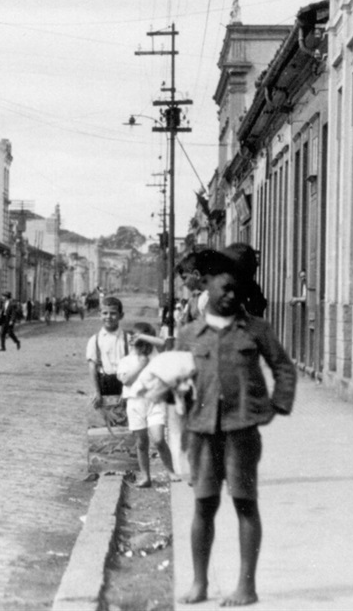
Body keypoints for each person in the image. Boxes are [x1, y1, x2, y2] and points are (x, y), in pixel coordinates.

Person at [178, 248, 296, 607]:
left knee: (245, 505)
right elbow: (174, 381)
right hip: (202, 432)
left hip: (242, 430)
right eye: (225, 288)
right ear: (207, 285)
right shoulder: (188, 334)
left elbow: (283, 368)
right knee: (203, 505)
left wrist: (276, 406)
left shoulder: (256, 329)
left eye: (238, 290)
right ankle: (199, 583)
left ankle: (247, 586)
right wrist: (181, 415)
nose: (232, 295)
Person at [124, 321, 177, 487]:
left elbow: (162, 343)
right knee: (141, 442)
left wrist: (143, 337)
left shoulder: (156, 354)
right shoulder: (127, 359)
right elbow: (126, 380)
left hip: (155, 401)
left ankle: (171, 471)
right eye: (139, 341)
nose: (143, 345)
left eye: (146, 341)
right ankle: (146, 476)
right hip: (135, 403)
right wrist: (141, 365)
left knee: (159, 439)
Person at [86, 296, 131, 409]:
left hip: (125, 384)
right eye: (105, 313)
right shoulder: (95, 340)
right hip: (103, 385)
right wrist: (97, 392)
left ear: (121, 315)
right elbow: (92, 367)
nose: (109, 317)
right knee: (104, 422)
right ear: (99, 315)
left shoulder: (128, 339)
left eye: (113, 313)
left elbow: (134, 367)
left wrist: (127, 392)